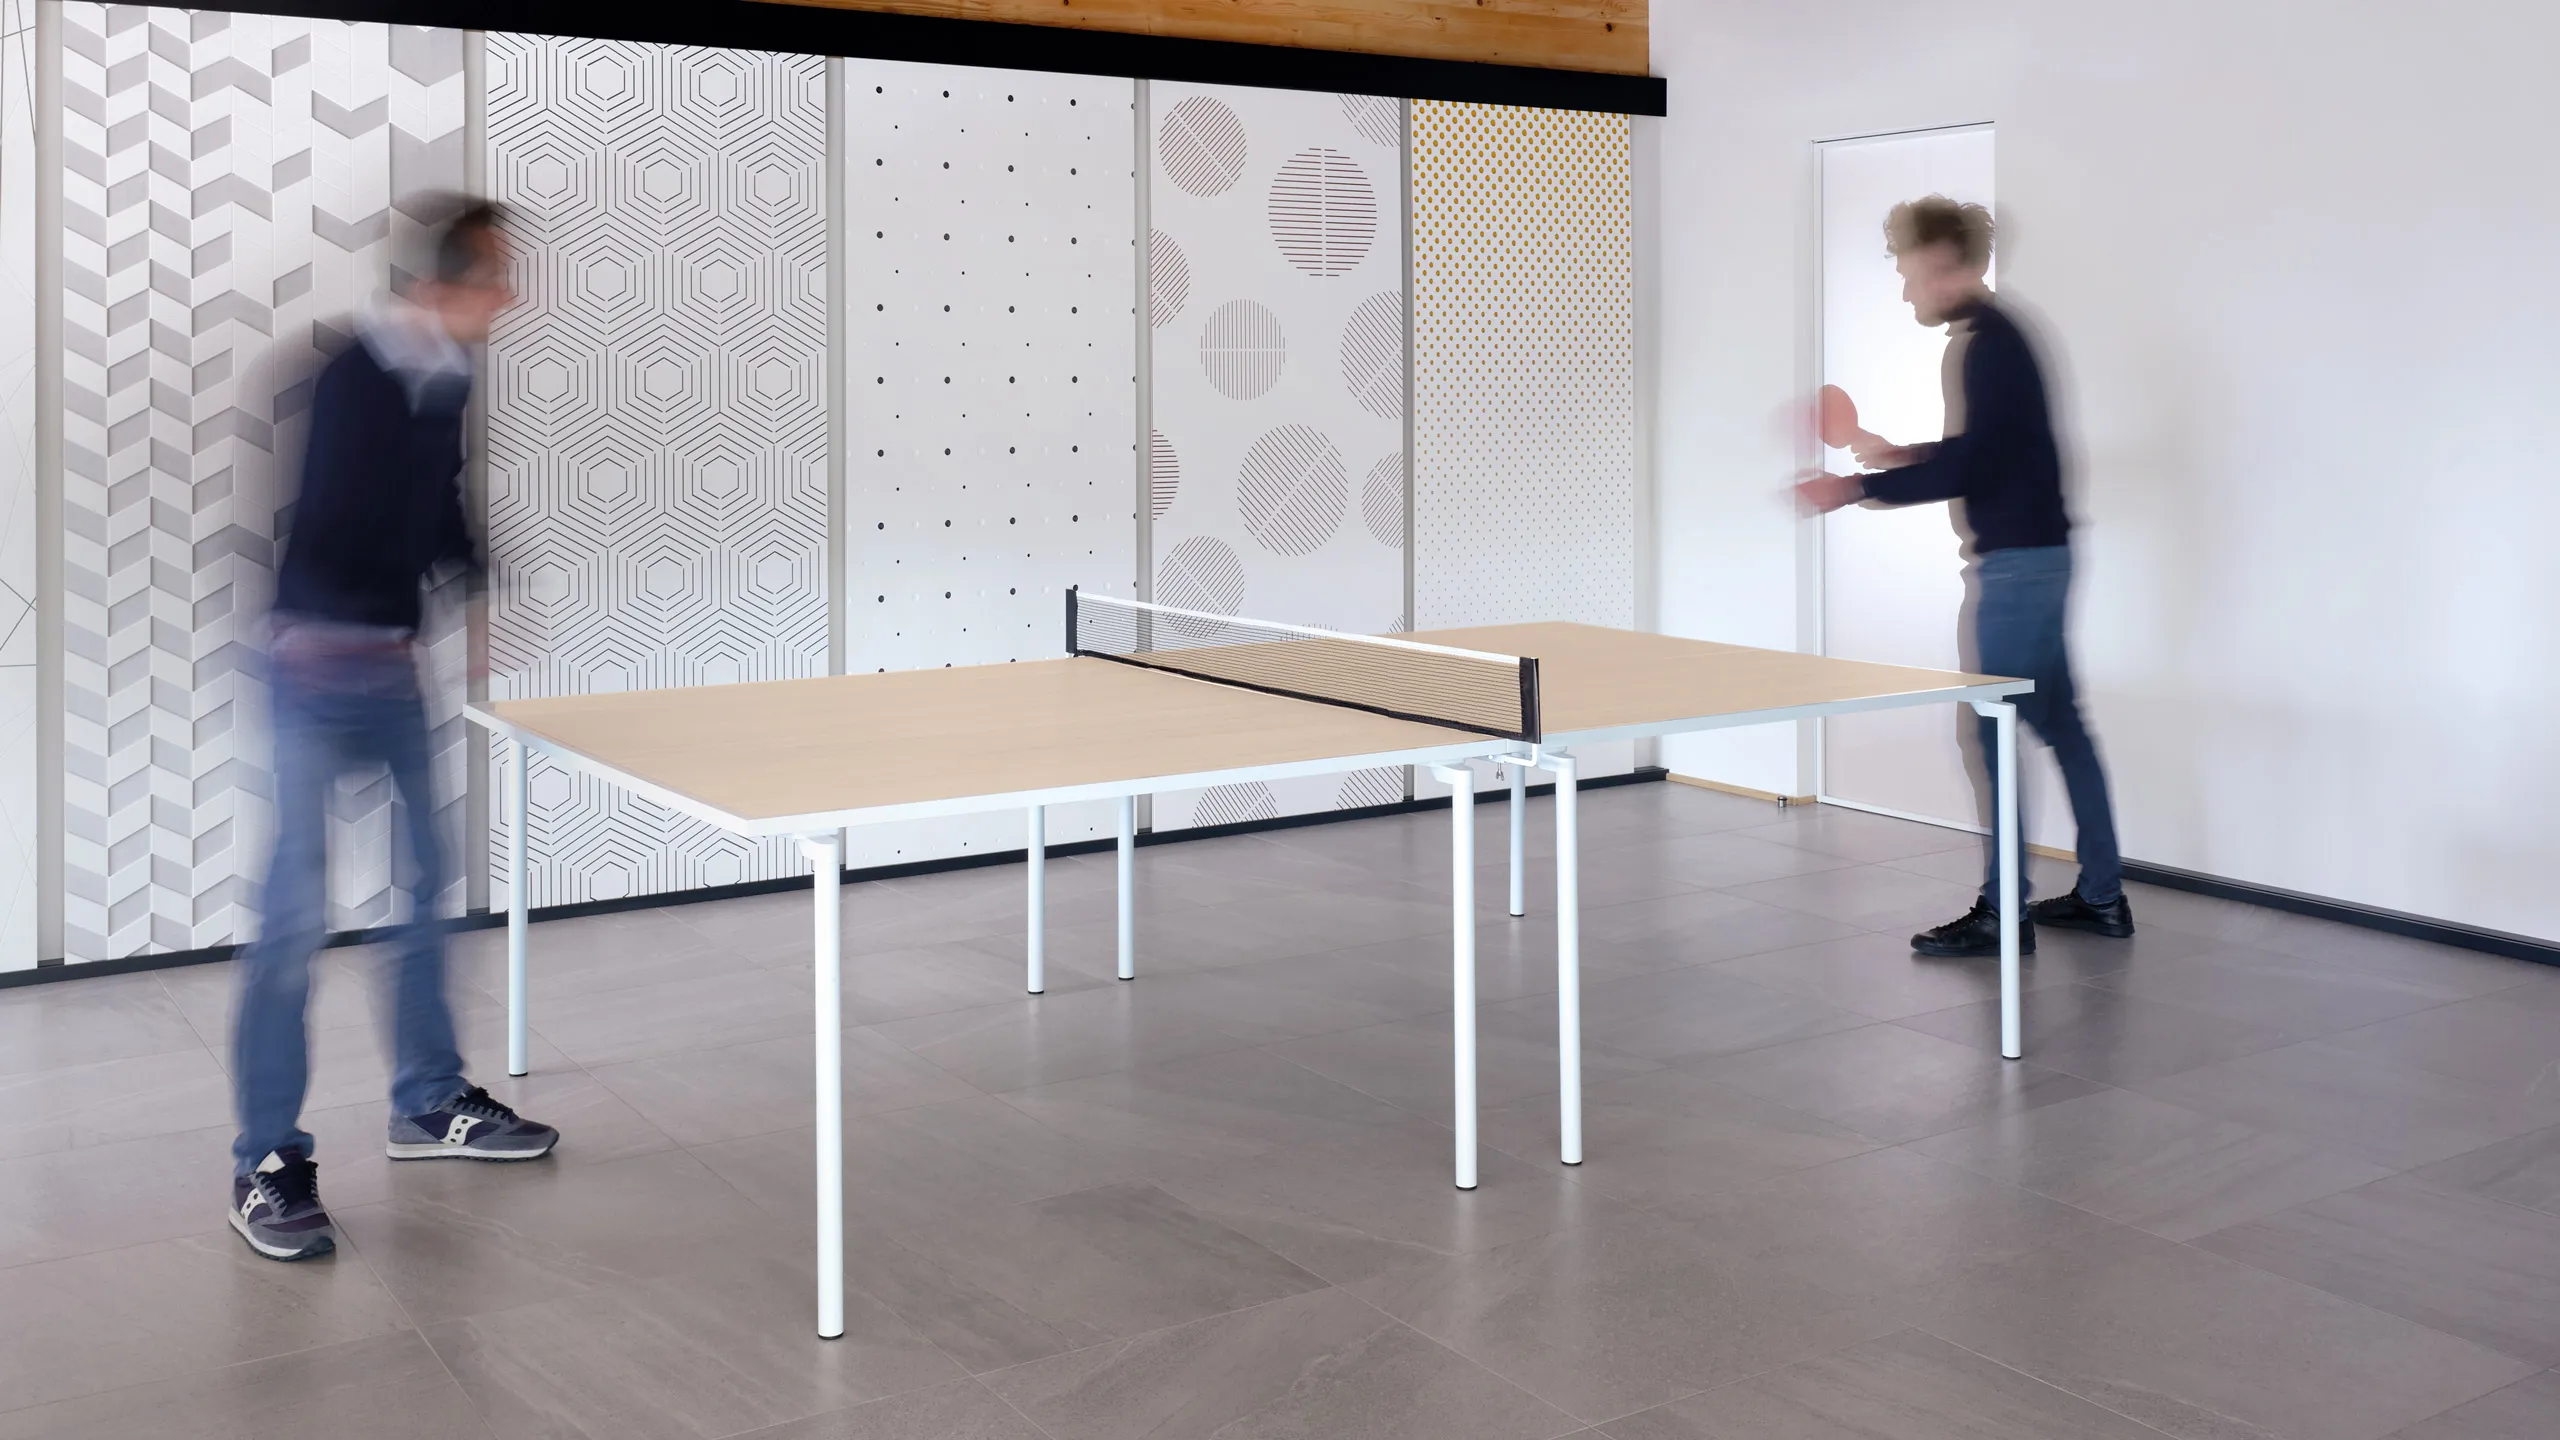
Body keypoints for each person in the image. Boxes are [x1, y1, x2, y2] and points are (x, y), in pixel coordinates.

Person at [230, 198, 558, 1263]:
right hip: (312, 668)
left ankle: (426, 1101)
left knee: (427, 885)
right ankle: (265, 1159)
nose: (512, 296)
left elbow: (441, 507)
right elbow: (344, 524)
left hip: (390, 666)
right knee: (293, 919)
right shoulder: (353, 376)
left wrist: (477, 587)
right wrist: (440, 575)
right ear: (443, 284)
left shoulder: (446, 378)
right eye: (498, 276)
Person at [1795, 195, 2134, 958]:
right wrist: (1898, 456)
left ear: (1949, 265)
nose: (1906, 290)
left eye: (1911, 273)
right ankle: (2102, 897)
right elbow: (1990, 452)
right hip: (2042, 559)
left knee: (1992, 727)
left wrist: (1853, 488)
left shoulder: (1987, 345)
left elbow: (1977, 464)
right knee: (2061, 724)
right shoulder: (2002, 336)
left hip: (2018, 572)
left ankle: (2003, 912)